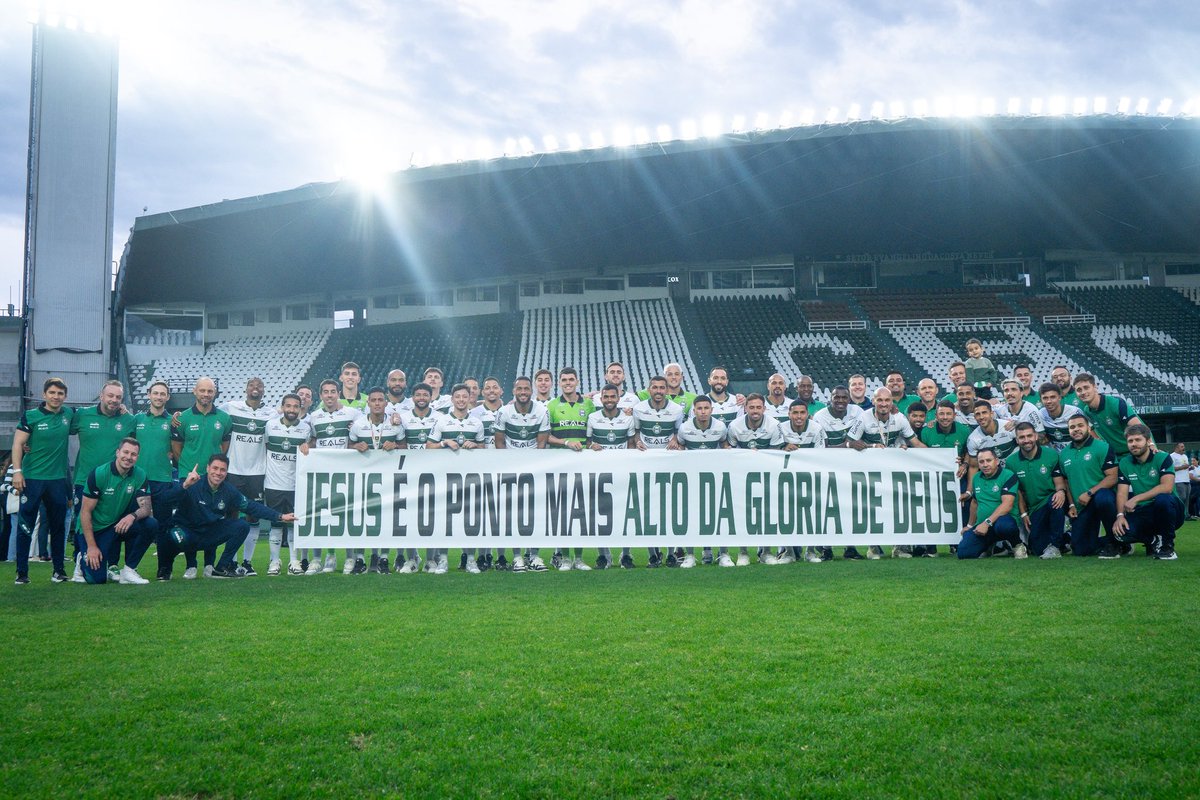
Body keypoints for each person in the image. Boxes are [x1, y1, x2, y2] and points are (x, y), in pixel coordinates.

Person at [156, 454, 295, 580]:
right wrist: (185, 485)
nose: (218, 473)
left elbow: (251, 507)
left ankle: (221, 568)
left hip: (209, 535)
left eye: (222, 470)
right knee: (167, 533)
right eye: (215, 468)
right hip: (187, 534)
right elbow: (164, 500)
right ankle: (165, 569)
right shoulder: (193, 483)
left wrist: (279, 516)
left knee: (242, 526)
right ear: (208, 468)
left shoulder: (229, 490)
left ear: (226, 472)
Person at [69, 380, 135, 581]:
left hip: (113, 482)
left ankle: (111, 565)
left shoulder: (128, 420)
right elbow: (59, 430)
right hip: (84, 480)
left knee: (110, 523)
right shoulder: (82, 415)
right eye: (111, 396)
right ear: (101, 395)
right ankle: (79, 561)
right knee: (83, 520)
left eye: (118, 397)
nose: (114, 400)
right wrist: (29, 445)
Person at [849, 387, 925, 559]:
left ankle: (899, 547)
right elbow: (850, 442)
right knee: (872, 507)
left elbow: (916, 443)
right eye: (880, 400)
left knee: (898, 506)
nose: (883, 404)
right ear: (874, 401)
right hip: (869, 471)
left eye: (887, 400)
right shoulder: (864, 417)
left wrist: (943, 458)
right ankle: (873, 547)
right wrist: (871, 446)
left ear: (892, 402)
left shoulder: (899, 418)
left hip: (892, 470)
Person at [11, 377, 73, 585]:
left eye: (60, 393)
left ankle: (58, 571)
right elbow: (18, 444)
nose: (56, 397)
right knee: (25, 526)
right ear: (44, 394)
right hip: (33, 479)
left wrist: (123, 410)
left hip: (57, 481)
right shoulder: (31, 416)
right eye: (52, 393)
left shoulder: (69, 414)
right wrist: (18, 472)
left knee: (58, 527)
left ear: (65, 396)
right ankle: (21, 572)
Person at [171, 376, 232, 578]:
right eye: (202, 391)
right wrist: (189, 469)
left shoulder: (223, 418)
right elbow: (176, 448)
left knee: (213, 521)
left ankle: (209, 564)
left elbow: (223, 448)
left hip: (213, 479)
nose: (206, 394)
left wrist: (213, 471)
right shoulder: (183, 418)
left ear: (214, 393)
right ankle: (190, 565)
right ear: (195, 392)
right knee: (190, 521)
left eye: (210, 391)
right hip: (189, 477)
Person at [76, 438, 158, 584]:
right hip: (96, 529)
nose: (129, 457)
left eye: (133, 454)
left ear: (137, 457)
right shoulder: (99, 474)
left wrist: (132, 516)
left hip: (116, 525)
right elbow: (85, 512)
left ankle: (129, 570)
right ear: (117, 452)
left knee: (150, 524)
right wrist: (92, 546)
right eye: (125, 452)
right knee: (96, 579)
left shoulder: (140, 475)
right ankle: (81, 561)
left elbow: (146, 508)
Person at [427, 383, 486, 573]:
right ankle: (443, 559)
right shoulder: (442, 421)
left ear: (470, 399)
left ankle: (470, 559)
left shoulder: (476, 423)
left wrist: (475, 446)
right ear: (452, 399)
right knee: (446, 519)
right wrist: (444, 442)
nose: (461, 400)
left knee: (470, 519)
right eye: (457, 397)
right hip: (446, 477)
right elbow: (429, 447)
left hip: (469, 478)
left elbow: (484, 450)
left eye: (464, 396)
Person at [494, 376, 551, 573]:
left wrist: (534, 467)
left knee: (535, 514)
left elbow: (542, 443)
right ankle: (517, 556)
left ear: (532, 391)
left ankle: (533, 555)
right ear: (514, 391)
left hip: (533, 470)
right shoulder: (504, 412)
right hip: (511, 471)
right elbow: (499, 442)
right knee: (514, 515)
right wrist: (508, 467)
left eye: (527, 389)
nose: (524, 392)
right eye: (520, 389)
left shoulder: (542, 411)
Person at [307, 379, 362, 574]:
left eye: (333, 391)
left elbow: (362, 435)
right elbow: (312, 440)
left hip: (347, 472)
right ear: (321, 395)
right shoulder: (313, 417)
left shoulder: (353, 414)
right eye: (325, 392)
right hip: (322, 473)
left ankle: (349, 556)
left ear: (338, 393)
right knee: (323, 515)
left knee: (347, 515)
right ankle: (326, 556)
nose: (329, 395)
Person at [220, 376, 274, 576]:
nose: (255, 388)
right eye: (252, 384)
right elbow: (208, 410)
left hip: (257, 473)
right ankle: (232, 561)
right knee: (232, 515)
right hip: (234, 471)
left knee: (254, 516)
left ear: (264, 391)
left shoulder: (270, 413)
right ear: (246, 388)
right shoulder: (231, 407)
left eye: (259, 385)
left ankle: (248, 562)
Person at [348, 387, 403, 573]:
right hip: (365, 479)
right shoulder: (358, 424)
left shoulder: (396, 425)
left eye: (381, 400)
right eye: (374, 400)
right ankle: (360, 559)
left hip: (389, 479)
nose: (378, 403)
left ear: (386, 403)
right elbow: (349, 445)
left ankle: (385, 558)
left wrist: (395, 444)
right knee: (363, 518)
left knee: (386, 519)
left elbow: (405, 445)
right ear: (368, 403)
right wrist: (356, 445)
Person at [632, 375, 684, 567]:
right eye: (655, 387)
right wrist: (637, 441)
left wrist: (676, 439)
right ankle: (653, 554)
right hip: (646, 464)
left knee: (668, 511)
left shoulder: (677, 409)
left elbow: (680, 433)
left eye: (662, 388)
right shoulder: (639, 409)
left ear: (667, 390)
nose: (659, 391)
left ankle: (671, 553)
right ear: (649, 389)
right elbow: (636, 432)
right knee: (648, 511)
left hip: (668, 465)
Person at [546, 367, 595, 571]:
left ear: (577, 382)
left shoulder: (589, 404)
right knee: (563, 512)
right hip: (561, 465)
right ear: (559, 383)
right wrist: (566, 442)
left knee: (582, 511)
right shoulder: (552, 405)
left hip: (584, 465)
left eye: (571, 379)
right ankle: (565, 558)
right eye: (564, 380)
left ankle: (579, 558)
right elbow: (546, 436)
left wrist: (591, 445)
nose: (568, 383)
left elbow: (594, 433)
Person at [587, 384, 640, 569]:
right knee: (599, 515)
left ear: (618, 398)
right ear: (601, 399)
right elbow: (587, 442)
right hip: (599, 474)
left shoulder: (627, 419)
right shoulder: (592, 417)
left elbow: (632, 444)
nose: (609, 400)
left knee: (626, 514)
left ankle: (626, 555)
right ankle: (604, 555)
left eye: (612, 397)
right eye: (606, 397)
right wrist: (590, 446)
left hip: (621, 473)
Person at [727, 394, 783, 565]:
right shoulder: (735, 426)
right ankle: (743, 552)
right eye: (751, 407)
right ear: (745, 408)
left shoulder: (774, 425)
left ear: (764, 409)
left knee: (767, 514)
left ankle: (766, 552)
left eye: (759, 407)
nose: (755, 411)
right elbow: (730, 452)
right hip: (741, 476)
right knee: (741, 513)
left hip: (767, 476)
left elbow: (775, 453)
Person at [1112, 424, 1183, 560]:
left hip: (1170, 509)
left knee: (1163, 499)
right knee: (1120, 533)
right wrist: (1120, 515)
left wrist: (1136, 498)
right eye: (1130, 441)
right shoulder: (1125, 463)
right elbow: (1122, 492)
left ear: (1148, 440)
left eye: (1138, 440)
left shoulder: (1162, 457)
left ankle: (1168, 547)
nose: (1134, 444)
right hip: (1144, 510)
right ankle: (1153, 540)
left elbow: (1167, 487)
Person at [263, 393, 312, 576]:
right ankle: (274, 561)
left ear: (300, 409)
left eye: (295, 406)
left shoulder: (306, 429)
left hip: (295, 485)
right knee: (275, 524)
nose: (291, 410)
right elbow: (266, 447)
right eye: (288, 406)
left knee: (293, 524)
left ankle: (294, 561)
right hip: (273, 483)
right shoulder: (270, 426)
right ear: (282, 407)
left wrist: (308, 447)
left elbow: (310, 449)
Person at [1058, 414, 1119, 558]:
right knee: (1080, 549)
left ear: (1088, 427)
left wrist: (1090, 493)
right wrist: (1072, 505)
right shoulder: (1064, 454)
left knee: (1103, 498)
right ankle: (1122, 541)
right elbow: (1066, 482)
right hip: (1082, 505)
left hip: (1102, 498)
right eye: (1072, 427)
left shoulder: (1102, 447)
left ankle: (1113, 543)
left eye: (1080, 426)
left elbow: (1113, 477)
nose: (1076, 429)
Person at [918, 401, 973, 557]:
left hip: (956, 476)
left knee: (961, 505)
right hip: (932, 477)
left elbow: (969, 451)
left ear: (954, 415)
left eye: (948, 414)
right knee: (930, 508)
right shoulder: (926, 431)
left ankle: (957, 542)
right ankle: (931, 546)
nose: (945, 417)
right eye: (941, 414)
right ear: (935, 416)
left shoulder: (964, 430)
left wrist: (966, 464)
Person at [1009, 422, 1068, 558]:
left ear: (1036, 436)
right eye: (1022, 437)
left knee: (1056, 501)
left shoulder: (1051, 454)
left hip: (1050, 500)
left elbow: (1059, 482)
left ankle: (1055, 547)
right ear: (1017, 440)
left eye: (1029, 435)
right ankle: (1066, 537)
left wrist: (1060, 491)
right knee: (1037, 548)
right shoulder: (1011, 462)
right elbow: (1018, 492)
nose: (1026, 440)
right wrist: (1024, 514)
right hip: (1034, 508)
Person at [397, 383, 439, 573]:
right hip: (410, 474)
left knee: (431, 518)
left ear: (431, 397)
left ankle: (431, 559)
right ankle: (412, 558)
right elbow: (401, 445)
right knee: (408, 517)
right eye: (418, 395)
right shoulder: (404, 419)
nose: (421, 398)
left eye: (425, 395)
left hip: (434, 473)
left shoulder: (440, 418)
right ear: (412, 397)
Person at [777, 399, 826, 564]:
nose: (799, 416)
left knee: (811, 514)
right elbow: (772, 450)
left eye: (802, 412)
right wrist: (783, 447)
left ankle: (810, 552)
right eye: (795, 412)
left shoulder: (817, 428)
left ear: (808, 415)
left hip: (809, 476)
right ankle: (789, 552)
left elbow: (821, 455)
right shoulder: (780, 428)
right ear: (789, 414)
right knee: (787, 514)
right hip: (786, 476)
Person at [957, 447, 1027, 559]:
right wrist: (970, 525)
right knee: (963, 553)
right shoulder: (976, 478)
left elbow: (1007, 505)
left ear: (997, 461)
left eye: (988, 460)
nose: (985, 464)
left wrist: (987, 523)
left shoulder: (1008, 475)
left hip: (1002, 522)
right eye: (981, 462)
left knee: (1005, 526)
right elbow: (975, 502)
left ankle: (1017, 545)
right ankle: (990, 547)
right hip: (982, 527)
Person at [1073, 373, 1149, 459]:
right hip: (1114, 456)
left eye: (1086, 387)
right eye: (1079, 390)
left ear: (1095, 387)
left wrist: (1150, 444)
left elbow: (1140, 428)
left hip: (1135, 452)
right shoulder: (1087, 411)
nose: (1083, 392)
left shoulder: (1115, 403)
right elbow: (1092, 430)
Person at [1037, 383, 1083, 452]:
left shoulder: (1074, 412)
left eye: (1053, 397)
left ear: (1059, 397)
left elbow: (1089, 434)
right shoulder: (1040, 415)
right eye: (1045, 398)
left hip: (1077, 452)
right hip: (1056, 455)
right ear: (1041, 400)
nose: (1049, 401)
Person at [1169, 442, 1190, 518]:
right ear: (1177, 448)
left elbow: (1185, 467)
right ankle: (1179, 514)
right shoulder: (1172, 456)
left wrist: (1189, 467)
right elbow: (1171, 468)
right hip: (1178, 480)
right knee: (1182, 498)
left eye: (1183, 446)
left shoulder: (1185, 456)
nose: (1183, 448)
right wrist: (1182, 467)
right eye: (1181, 447)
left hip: (1187, 480)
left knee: (1187, 499)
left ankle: (1186, 515)